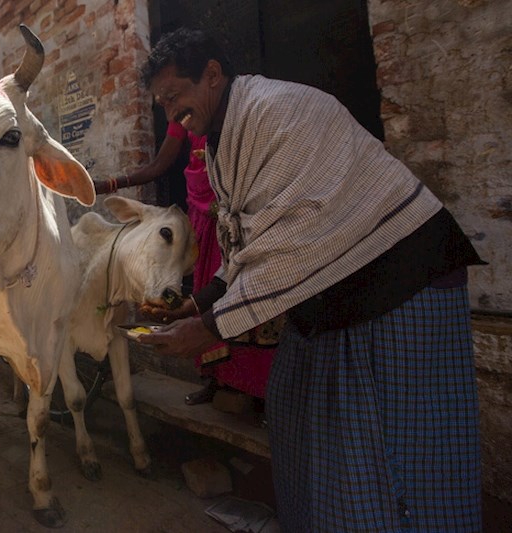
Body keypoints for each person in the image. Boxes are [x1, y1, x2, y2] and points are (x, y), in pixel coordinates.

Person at [137, 28, 483, 531]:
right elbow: (246, 240)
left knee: (402, 453)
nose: (171, 115)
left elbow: (293, 244)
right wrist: (200, 302)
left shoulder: (278, 112)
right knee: (299, 410)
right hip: (340, 296)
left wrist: (208, 329)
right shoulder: (222, 142)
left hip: (402, 286)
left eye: (174, 98)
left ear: (212, 75)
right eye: (162, 105)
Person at [95, 122, 280, 411]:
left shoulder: (236, 114)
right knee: (204, 290)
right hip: (200, 213)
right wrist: (110, 185)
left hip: (233, 209)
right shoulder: (182, 118)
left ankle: (261, 391)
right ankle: (216, 381)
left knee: (241, 291)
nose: (173, 108)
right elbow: (159, 165)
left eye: (173, 98)